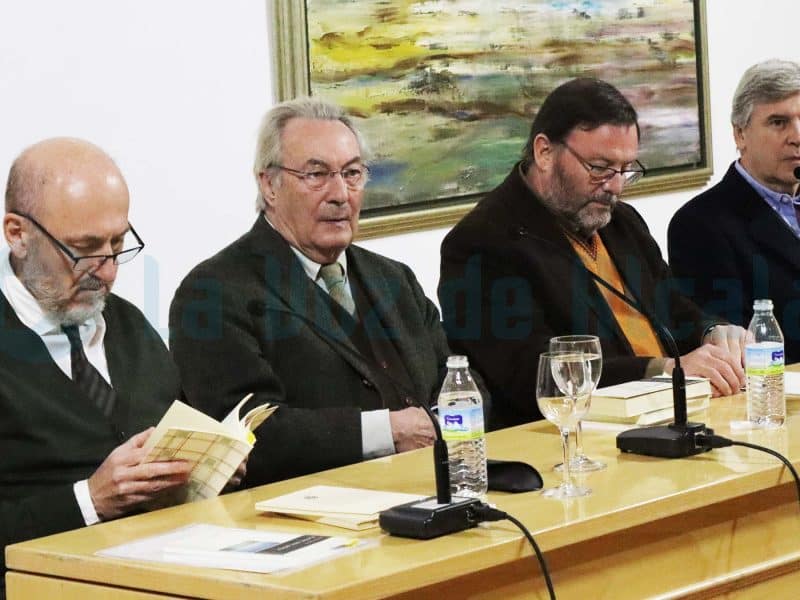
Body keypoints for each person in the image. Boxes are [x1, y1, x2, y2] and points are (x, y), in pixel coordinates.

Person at [169, 97, 483, 486]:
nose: (340, 194)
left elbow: (459, 380)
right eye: (316, 175)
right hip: (306, 517)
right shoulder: (213, 294)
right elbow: (248, 435)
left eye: (352, 174)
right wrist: (385, 432)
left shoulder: (393, 279)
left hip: (430, 492)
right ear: (268, 184)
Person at [439, 78, 746, 429]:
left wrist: (713, 332)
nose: (615, 186)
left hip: (671, 416)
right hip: (572, 438)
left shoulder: (621, 221)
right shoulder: (481, 242)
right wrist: (664, 371)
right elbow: (528, 374)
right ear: (544, 152)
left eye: (626, 169)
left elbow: (673, 308)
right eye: (600, 168)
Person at [0, 138, 194, 592]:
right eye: (84, 249)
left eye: (118, 244)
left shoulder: (127, 324)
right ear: (16, 233)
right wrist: (90, 500)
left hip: (168, 569)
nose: (107, 271)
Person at [668, 59, 800, 362]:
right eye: (778, 122)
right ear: (740, 134)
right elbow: (733, 344)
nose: (796, 136)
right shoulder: (699, 224)